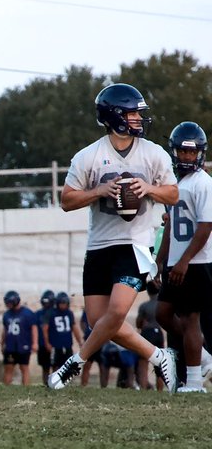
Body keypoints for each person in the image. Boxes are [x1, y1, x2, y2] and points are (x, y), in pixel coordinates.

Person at [48, 84, 179, 391]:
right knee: (101, 323)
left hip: (137, 242)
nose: (138, 118)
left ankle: (74, 363)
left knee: (117, 312)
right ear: (115, 116)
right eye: (133, 112)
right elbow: (66, 201)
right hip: (100, 245)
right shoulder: (88, 156)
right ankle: (159, 356)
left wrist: (149, 189)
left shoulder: (153, 153)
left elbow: (173, 193)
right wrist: (98, 191)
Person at [155, 122, 212, 393]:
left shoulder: (204, 183)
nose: (187, 157)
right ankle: (203, 356)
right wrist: (159, 260)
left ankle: (194, 382)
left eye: (192, 153)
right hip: (176, 262)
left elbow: (205, 227)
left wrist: (185, 260)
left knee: (191, 318)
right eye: (182, 152)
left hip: (197, 262)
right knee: (163, 314)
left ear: (200, 153)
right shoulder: (174, 184)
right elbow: (170, 227)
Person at [0, 290, 38, 385]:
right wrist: (2, 342)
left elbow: (34, 328)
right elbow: (5, 330)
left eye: (9, 302)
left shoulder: (27, 313)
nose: (7, 305)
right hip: (10, 345)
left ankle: (26, 389)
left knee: (24, 367)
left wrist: (35, 343)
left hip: (23, 344)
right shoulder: (6, 314)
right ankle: (6, 389)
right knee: (8, 367)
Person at [135, 281, 164, 390]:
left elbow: (139, 323)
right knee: (160, 363)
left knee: (143, 361)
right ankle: (160, 389)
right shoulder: (161, 304)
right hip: (159, 333)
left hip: (147, 333)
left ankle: (143, 387)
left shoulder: (144, 306)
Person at [43, 292, 82, 374]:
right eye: (61, 303)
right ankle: (54, 382)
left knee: (68, 365)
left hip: (67, 343)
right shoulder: (51, 313)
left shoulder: (69, 313)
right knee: (55, 365)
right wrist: (47, 343)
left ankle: (65, 382)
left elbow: (74, 328)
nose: (63, 305)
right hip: (55, 344)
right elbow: (45, 329)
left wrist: (80, 342)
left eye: (64, 303)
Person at [35, 289, 55, 385]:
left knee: (56, 366)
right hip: (42, 344)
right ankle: (46, 385)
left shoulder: (55, 312)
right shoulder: (38, 314)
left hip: (55, 344)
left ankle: (56, 384)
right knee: (45, 367)